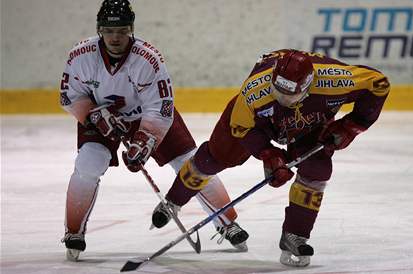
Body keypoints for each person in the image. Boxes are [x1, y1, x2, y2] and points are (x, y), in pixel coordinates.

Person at [151, 49, 390, 266]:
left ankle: (295, 235)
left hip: (309, 121)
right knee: (214, 158)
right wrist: (269, 154)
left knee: (316, 168)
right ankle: (174, 200)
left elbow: (379, 84)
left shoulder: (335, 80)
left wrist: (352, 126)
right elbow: (240, 127)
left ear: (308, 84)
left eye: (290, 95)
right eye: (278, 91)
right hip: (257, 123)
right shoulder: (255, 91)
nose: (282, 99)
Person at [59, 0, 248, 261]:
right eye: (109, 31)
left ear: (131, 29)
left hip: (147, 115)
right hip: (99, 115)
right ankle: (73, 232)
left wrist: (144, 141)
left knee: (190, 162)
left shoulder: (147, 58)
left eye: (122, 31)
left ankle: (227, 221)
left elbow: (159, 106)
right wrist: (93, 114)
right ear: (99, 29)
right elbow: (69, 96)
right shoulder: (81, 55)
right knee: (88, 162)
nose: (115, 37)